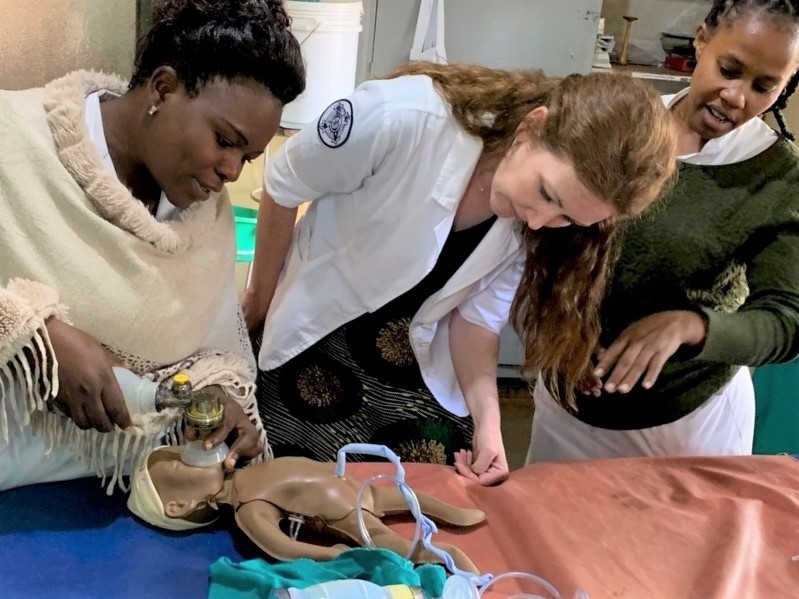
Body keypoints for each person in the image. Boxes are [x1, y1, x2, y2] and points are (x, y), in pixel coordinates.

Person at [240, 61, 678, 485]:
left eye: (568, 218)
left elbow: (477, 321)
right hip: (317, 335)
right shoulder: (402, 117)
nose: (542, 221)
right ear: (531, 127)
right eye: (546, 193)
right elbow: (284, 185)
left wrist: (490, 422)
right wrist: (258, 304)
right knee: (297, 490)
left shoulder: (538, 223)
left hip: (414, 359)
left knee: (431, 494)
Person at [0, 0, 305, 490]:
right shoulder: (12, 141)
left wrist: (216, 395)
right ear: (163, 89)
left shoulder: (209, 218)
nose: (232, 171)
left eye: (247, 157)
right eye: (225, 140)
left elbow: (213, 349)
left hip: (123, 488)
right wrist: (36, 334)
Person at [526, 0, 799, 463]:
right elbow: (549, 233)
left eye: (763, 86)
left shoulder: (776, 179)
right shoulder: (621, 127)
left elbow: (786, 320)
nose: (736, 96)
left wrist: (692, 326)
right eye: (729, 69)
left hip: (685, 422)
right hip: (568, 399)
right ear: (701, 40)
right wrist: (563, 328)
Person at [127, 445, 485, 572]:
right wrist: (335, 554)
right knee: (398, 545)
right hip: (349, 517)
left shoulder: (250, 469)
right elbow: (283, 547)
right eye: (177, 464)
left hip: (355, 487)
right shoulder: (249, 509)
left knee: (412, 497)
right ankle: (449, 555)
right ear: (179, 506)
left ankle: (455, 513)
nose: (186, 453)